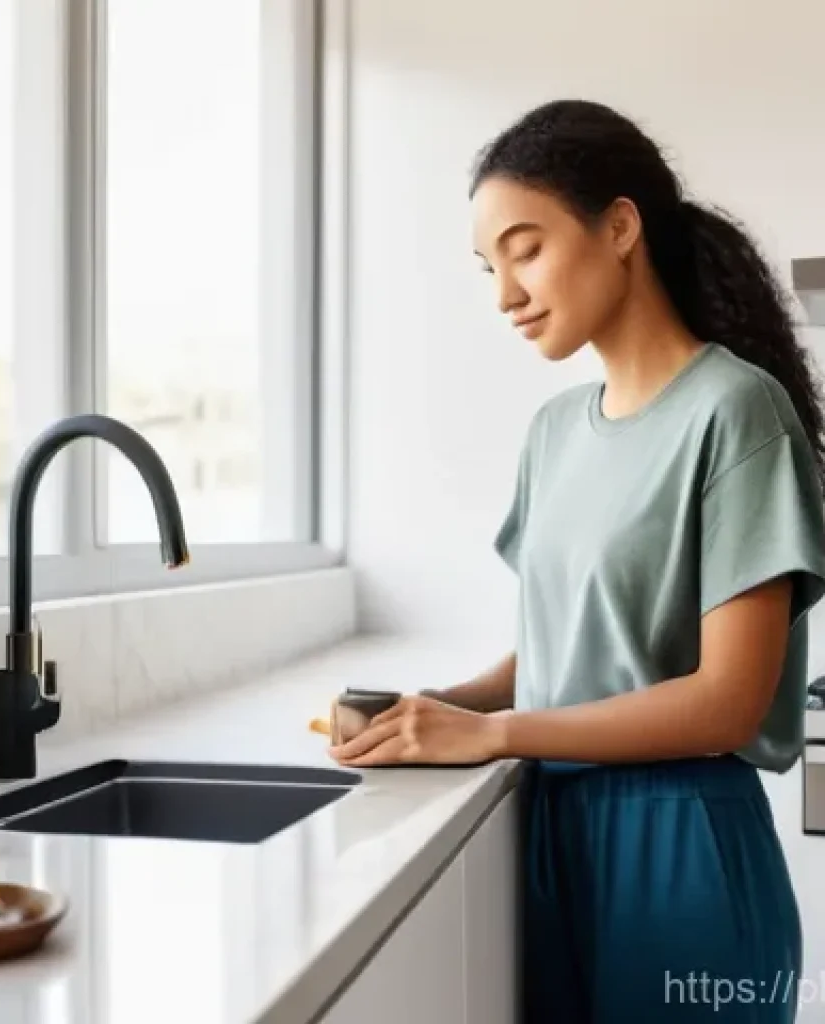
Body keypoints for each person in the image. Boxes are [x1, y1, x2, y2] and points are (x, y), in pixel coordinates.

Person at [328, 98, 825, 1023]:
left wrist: (496, 735)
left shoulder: (735, 411)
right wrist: (434, 708)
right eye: (490, 268)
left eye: (525, 250)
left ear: (620, 227)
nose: (505, 294)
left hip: (683, 854)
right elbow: (568, 646)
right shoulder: (554, 432)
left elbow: (729, 701)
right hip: (553, 842)